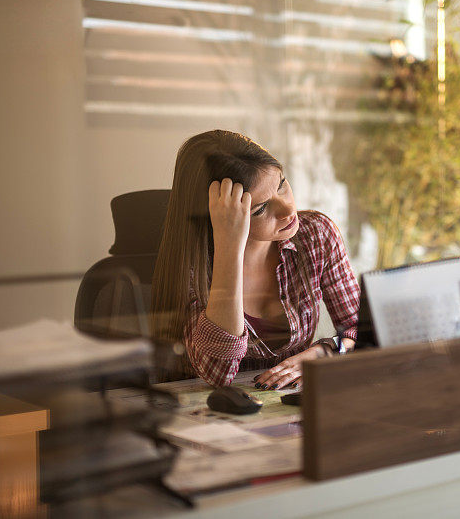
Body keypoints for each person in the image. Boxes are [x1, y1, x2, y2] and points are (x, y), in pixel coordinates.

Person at [152, 130, 359, 389]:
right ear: (218, 215)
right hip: (207, 415)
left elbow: (360, 330)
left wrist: (325, 351)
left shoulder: (316, 235)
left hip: (287, 408)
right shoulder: (194, 267)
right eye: (260, 209)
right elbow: (219, 375)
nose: (287, 209)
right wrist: (229, 246)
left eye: (282, 185)